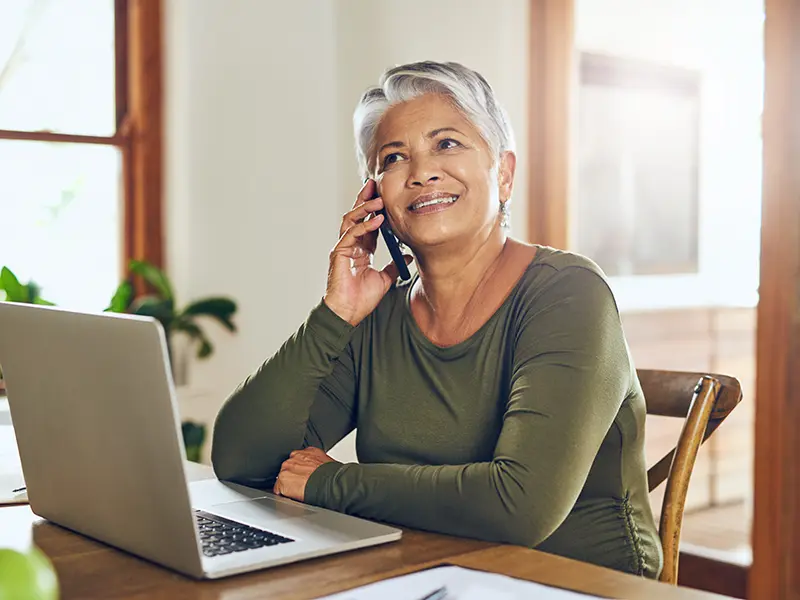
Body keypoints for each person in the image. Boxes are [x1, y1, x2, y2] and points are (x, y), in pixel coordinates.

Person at [211, 60, 663, 578]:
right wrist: (335, 315)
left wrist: (329, 483)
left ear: (504, 173)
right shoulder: (379, 315)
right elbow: (242, 460)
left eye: (447, 144)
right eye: (394, 157)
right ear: (375, 197)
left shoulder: (568, 292)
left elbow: (519, 505)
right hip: (419, 572)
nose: (421, 171)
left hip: (569, 584)